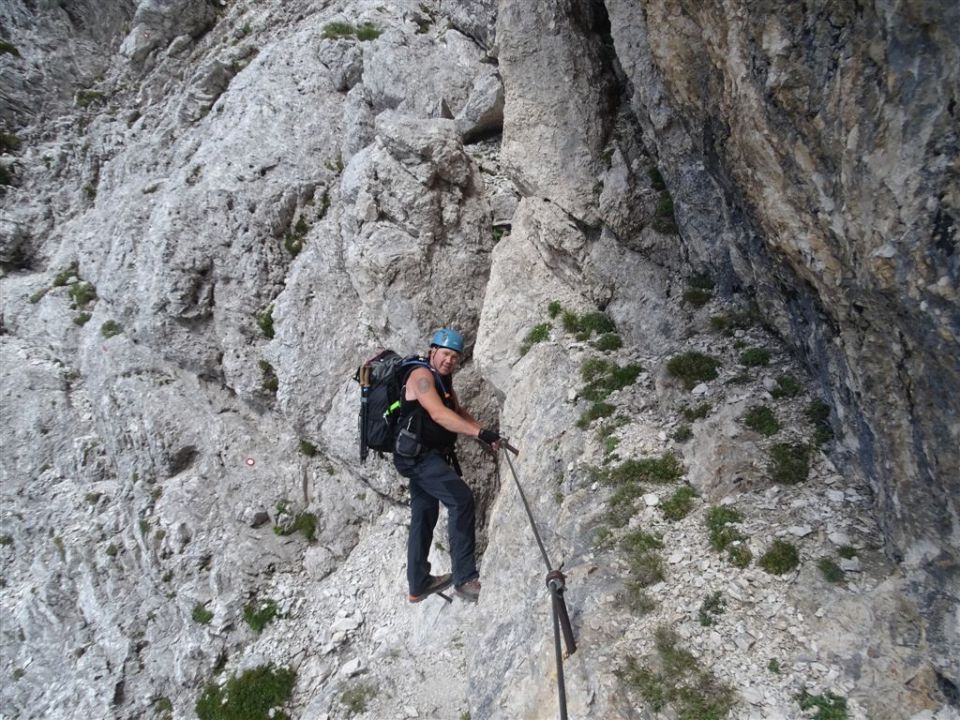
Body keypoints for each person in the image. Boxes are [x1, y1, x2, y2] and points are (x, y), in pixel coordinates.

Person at [393, 327, 500, 603]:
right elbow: (439, 414)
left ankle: (418, 583)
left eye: (454, 356)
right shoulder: (421, 377)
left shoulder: (442, 379)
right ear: (433, 351)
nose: (449, 360)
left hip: (427, 455)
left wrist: (485, 433)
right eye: (445, 354)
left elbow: (456, 411)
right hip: (418, 457)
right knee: (461, 499)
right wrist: (478, 434)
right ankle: (465, 579)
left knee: (424, 513)